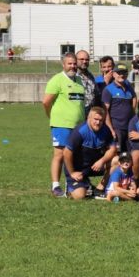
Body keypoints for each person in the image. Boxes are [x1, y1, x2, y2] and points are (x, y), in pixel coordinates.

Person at [43, 53, 87, 196]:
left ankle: (72, 184)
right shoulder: (57, 80)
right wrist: (51, 116)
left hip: (78, 126)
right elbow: (46, 102)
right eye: (69, 63)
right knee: (60, 155)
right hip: (61, 125)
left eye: (74, 63)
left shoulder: (79, 80)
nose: (73, 66)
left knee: (74, 155)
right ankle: (55, 186)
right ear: (63, 65)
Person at [62, 106, 117, 200]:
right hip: (77, 169)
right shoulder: (80, 131)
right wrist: (72, 172)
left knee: (116, 161)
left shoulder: (105, 130)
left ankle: (99, 188)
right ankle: (71, 187)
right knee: (80, 196)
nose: (98, 122)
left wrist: (102, 161)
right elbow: (67, 153)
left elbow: (113, 149)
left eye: (101, 120)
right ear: (89, 117)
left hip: (94, 166)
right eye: (95, 119)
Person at [102, 64, 137, 153]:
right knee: (117, 154)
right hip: (116, 128)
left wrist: (132, 110)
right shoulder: (108, 89)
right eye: (119, 73)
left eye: (124, 73)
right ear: (113, 74)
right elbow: (105, 112)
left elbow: (134, 97)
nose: (122, 75)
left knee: (130, 154)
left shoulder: (129, 86)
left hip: (129, 127)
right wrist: (111, 129)